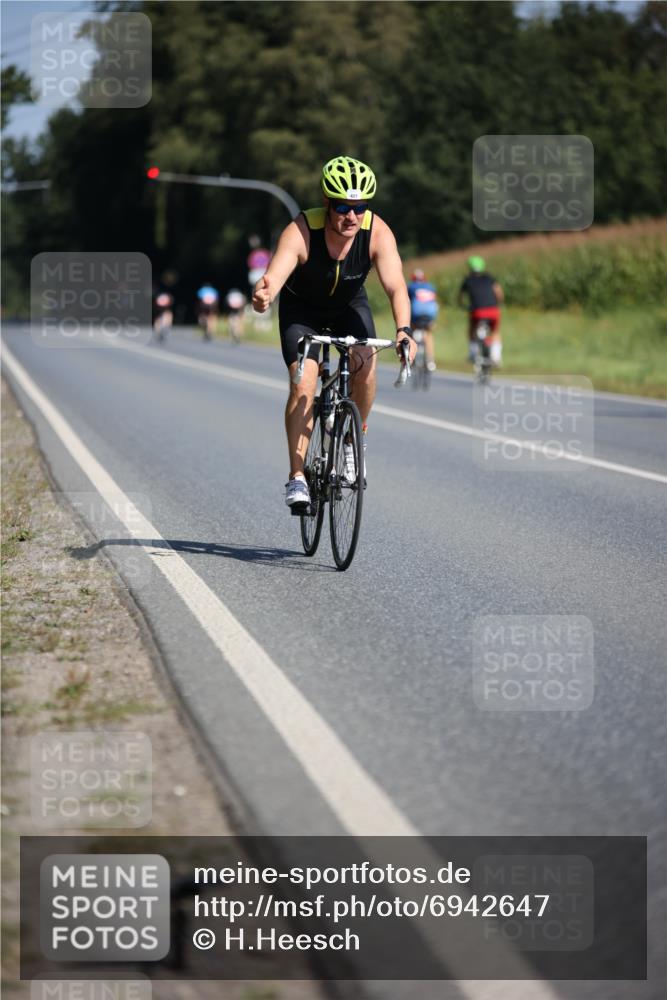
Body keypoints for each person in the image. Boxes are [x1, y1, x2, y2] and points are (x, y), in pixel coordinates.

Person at [252, 155, 416, 509]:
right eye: (342, 207)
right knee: (304, 382)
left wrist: (404, 330)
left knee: (366, 364)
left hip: (348, 307)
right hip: (302, 311)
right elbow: (275, 276)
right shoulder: (301, 230)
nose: (351, 216)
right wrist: (265, 295)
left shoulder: (377, 232)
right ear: (327, 203)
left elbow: (396, 287)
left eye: (359, 207)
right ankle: (297, 477)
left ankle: (352, 440)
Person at [457, 256, 504, 366]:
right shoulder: (489, 278)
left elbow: (460, 296)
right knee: (495, 331)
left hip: (477, 311)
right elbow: (499, 292)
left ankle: (472, 353)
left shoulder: (467, 280)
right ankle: (496, 357)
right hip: (493, 310)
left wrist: (462, 305)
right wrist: (499, 303)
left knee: (471, 330)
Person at [407, 268, 439, 371]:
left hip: (416, 314)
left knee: (410, 330)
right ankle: (430, 360)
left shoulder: (411, 286)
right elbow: (434, 302)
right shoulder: (431, 287)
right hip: (430, 314)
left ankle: (410, 358)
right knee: (428, 335)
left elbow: (407, 301)